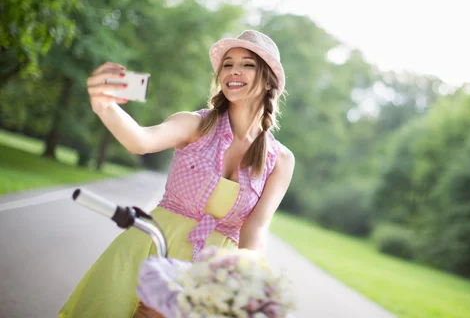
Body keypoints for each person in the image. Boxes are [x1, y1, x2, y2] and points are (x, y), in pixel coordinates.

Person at [59, 30, 295, 318]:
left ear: (269, 79)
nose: (234, 71)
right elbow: (140, 141)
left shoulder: (280, 159)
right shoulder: (195, 124)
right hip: (148, 250)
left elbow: (255, 229)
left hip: (209, 277)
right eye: (227, 64)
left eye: (247, 64)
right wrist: (105, 106)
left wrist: (245, 282)